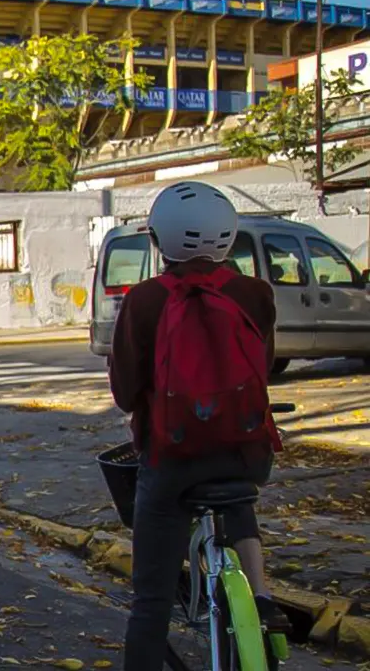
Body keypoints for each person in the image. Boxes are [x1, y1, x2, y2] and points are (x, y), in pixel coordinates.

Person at [108, 182, 290, 671]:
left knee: (150, 602)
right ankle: (260, 595)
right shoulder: (255, 293)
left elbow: (125, 391)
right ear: (228, 236)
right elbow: (263, 369)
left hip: (171, 458)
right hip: (248, 454)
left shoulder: (145, 300)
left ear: (160, 239)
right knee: (237, 484)